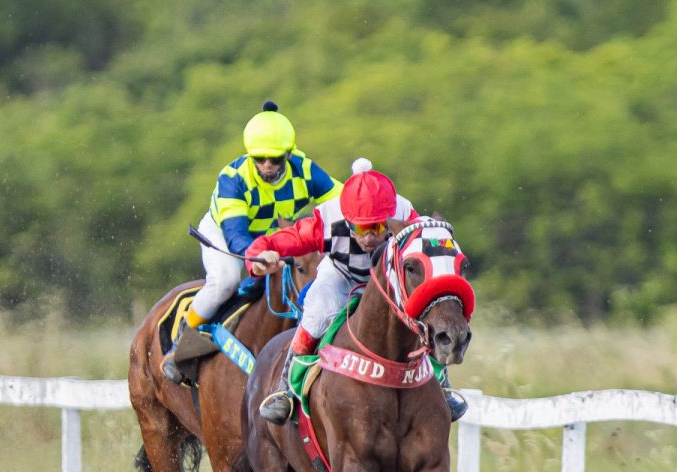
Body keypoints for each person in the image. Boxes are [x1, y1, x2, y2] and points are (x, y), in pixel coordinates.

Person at [245, 158, 468, 424]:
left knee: (420, 308)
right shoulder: (327, 218)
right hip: (342, 275)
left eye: (377, 227)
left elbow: (428, 243)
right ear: (347, 219)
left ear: (389, 216)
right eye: (362, 228)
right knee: (318, 310)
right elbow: (286, 239)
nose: (370, 237)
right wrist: (258, 257)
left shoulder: (404, 212)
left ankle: (440, 383)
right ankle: (286, 389)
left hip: (385, 279)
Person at [161, 100, 342, 383]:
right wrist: (260, 257)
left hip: (273, 236)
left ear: (288, 153)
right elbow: (236, 237)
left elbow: (345, 202)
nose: (267, 166)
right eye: (259, 159)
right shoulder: (232, 179)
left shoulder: (305, 170)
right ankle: (180, 345)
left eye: (275, 159)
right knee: (226, 281)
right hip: (225, 234)